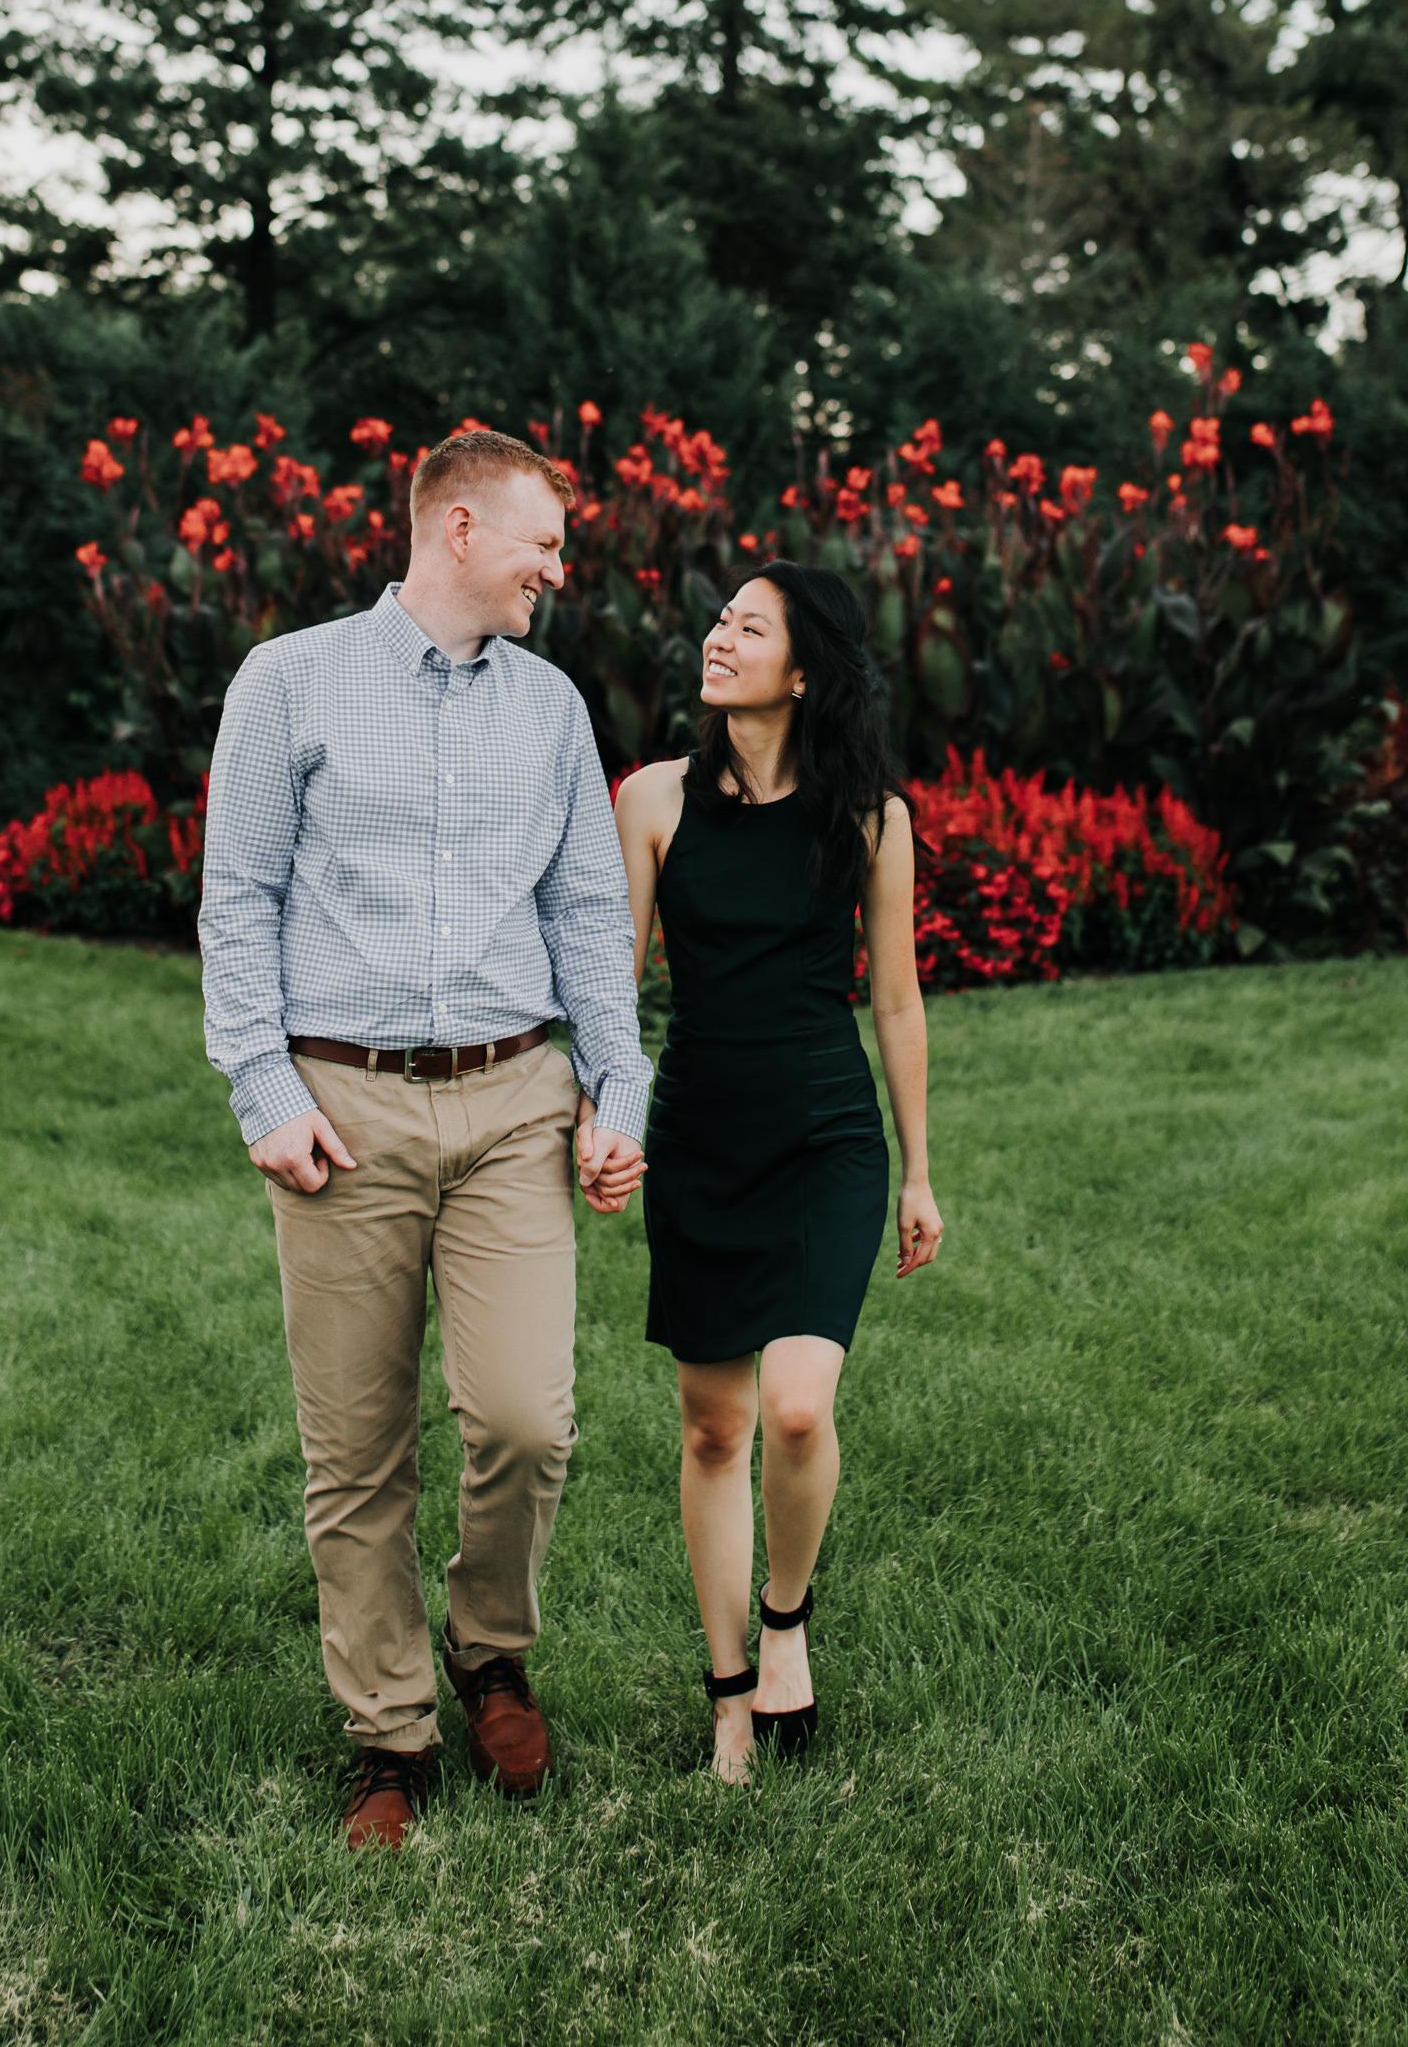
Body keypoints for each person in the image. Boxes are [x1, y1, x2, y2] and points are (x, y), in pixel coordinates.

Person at [200, 429, 651, 1851]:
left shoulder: (553, 708)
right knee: (357, 1450)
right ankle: (385, 1736)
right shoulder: (291, 681)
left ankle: (488, 1648)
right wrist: (263, 1089)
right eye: (542, 545)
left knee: (528, 1417)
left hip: (516, 1098)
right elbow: (237, 899)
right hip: (344, 1108)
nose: (555, 573)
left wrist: (616, 1089)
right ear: (456, 527)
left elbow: (587, 912)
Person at [614, 561, 943, 1782]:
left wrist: (917, 1172)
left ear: (802, 673)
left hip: (822, 1136)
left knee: (798, 1407)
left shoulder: (869, 818)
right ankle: (724, 1693)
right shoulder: (651, 800)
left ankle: (786, 1619)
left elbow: (896, 1003)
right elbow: (612, 987)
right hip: (701, 1134)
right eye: (716, 621)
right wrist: (610, 1118)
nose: (716, 638)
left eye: (747, 628)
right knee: (714, 1429)